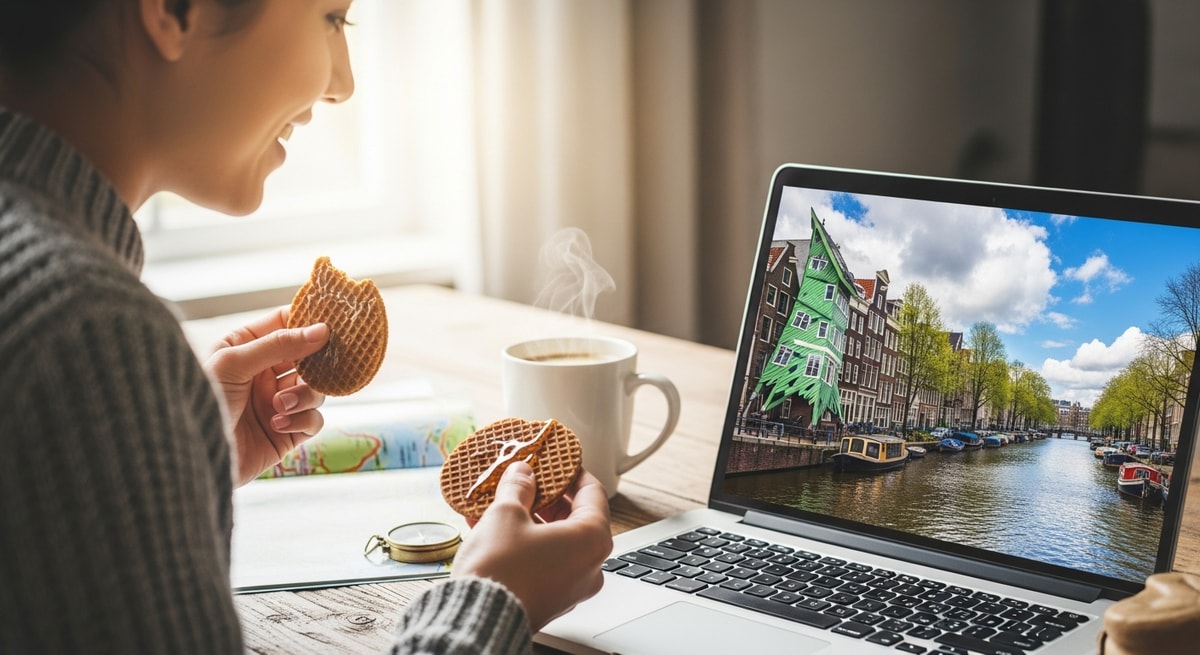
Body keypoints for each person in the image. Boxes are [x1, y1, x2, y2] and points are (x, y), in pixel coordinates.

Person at [0, 1, 612, 653]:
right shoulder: (84, 335)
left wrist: (173, 459)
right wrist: (490, 604)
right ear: (176, 10)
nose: (342, 83)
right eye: (330, 17)